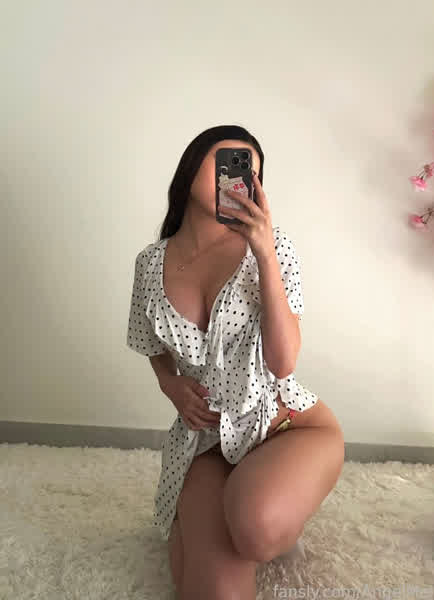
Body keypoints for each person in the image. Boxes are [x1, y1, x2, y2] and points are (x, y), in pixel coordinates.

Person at [126, 125, 345, 599]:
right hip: (208, 441)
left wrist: (263, 254)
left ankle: (272, 508)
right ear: (190, 168)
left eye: (249, 170)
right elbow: (149, 342)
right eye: (226, 160)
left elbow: (283, 363)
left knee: (258, 528)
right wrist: (169, 384)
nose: (237, 176)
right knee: (203, 589)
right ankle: (236, 502)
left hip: (287, 427)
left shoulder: (274, 248)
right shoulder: (150, 264)